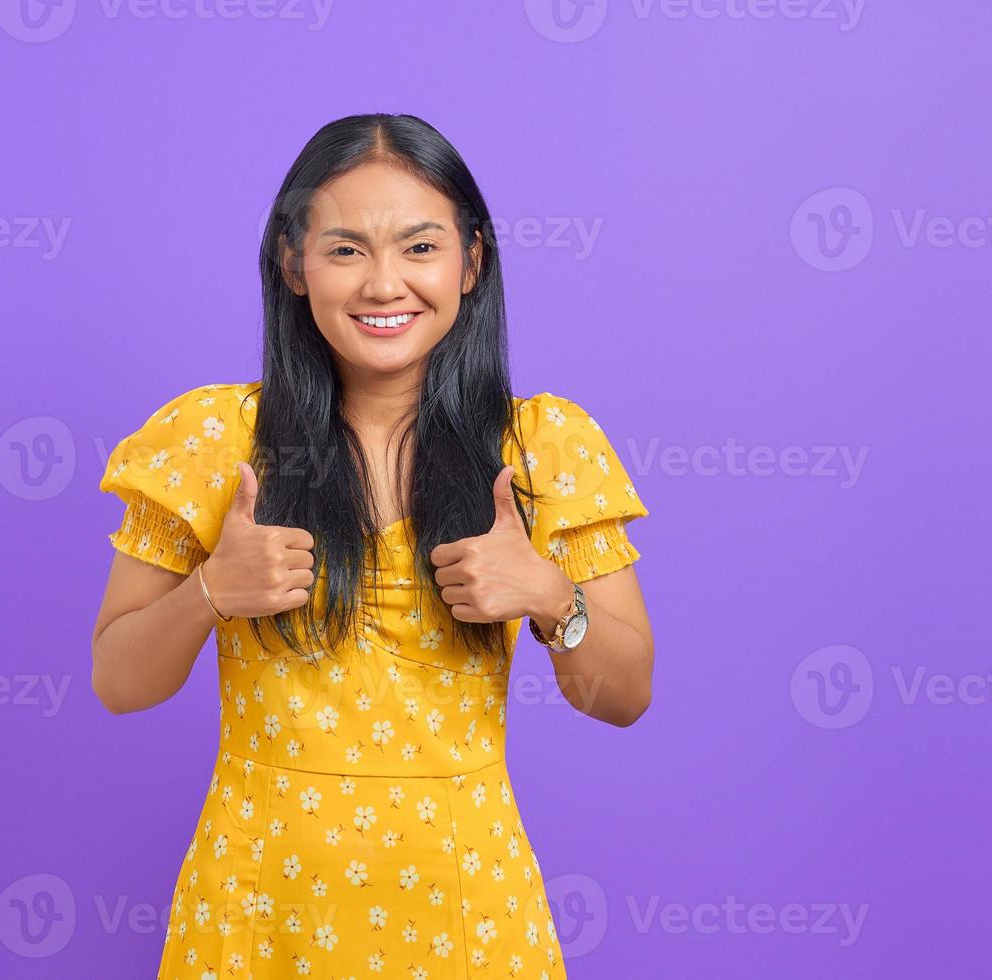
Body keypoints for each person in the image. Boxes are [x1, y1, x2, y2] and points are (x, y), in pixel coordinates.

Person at [91, 112, 654, 978]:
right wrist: (209, 590)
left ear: (470, 263)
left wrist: (549, 595)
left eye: (419, 248)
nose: (384, 284)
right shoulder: (214, 438)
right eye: (346, 250)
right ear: (293, 264)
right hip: (255, 909)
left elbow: (622, 695)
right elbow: (119, 682)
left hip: (467, 911)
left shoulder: (542, 446)